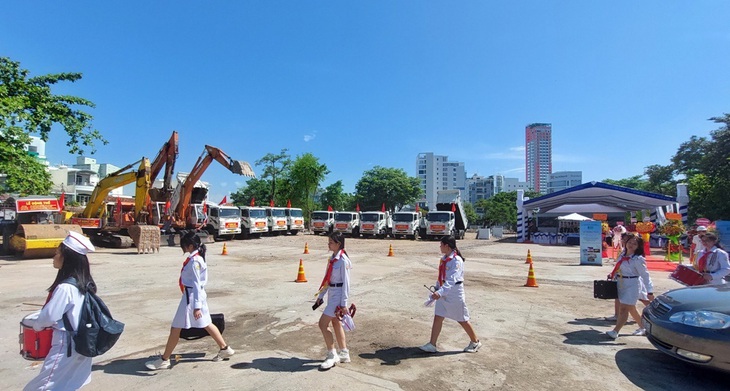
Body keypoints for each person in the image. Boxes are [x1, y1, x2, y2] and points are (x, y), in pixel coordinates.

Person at [145, 231, 234, 370]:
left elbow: (197, 284)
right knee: (207, 323)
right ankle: (224, 348)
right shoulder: (197, 258)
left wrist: (196, 307)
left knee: (176, 328)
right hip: (193, 296)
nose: (183, 248)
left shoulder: (194, 261)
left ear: (190, 246)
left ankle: (165, 359)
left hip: (191, 298)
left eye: (184, 245)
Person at [24, 231, 97, 391]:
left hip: (66, 344)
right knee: (71, 383)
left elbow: (48, 317)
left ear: (67, 258)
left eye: (57, 253)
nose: (53, 257)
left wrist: (36, 325)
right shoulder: (84, 284)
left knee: (44, 386)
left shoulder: (65, 288)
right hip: (82, 341)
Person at [420, 236, 481, 353]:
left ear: (446, 246)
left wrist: (440, 291)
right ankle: (432, 344)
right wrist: (437, 288)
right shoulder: (444, 259)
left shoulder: (456, 260)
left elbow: (452, 280)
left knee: (462, 319)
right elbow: (441, 276)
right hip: (444, 291)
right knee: (438, 317)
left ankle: (475, 342)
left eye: (441, 245)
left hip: (454, 293)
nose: (440, 247)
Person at [314, 232, 352, 370]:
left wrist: (344, 304)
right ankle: (344, 353)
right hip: (332, 292)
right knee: (336, 322)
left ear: (338, 244)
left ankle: (332, 354)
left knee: (322, 324)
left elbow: (346, 283)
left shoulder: (343, 260)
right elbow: (327, 279)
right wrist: (321, 295)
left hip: (338, 296)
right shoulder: (333, 258)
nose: (328, 244)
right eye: (328, 241)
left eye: (331, 242)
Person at [606, 234, 654, 339]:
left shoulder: (638, 259)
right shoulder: (622, 254)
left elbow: (645, 275)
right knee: (631, 308)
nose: (631, 245)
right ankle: (643, 327)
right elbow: (618, 267)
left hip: (632, 285)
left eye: (634, 244)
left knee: (623, 308)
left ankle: (615, 331)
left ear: (638, 246)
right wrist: (612, 274)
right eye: (630, 242)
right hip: (621, 283)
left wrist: (649, 291)